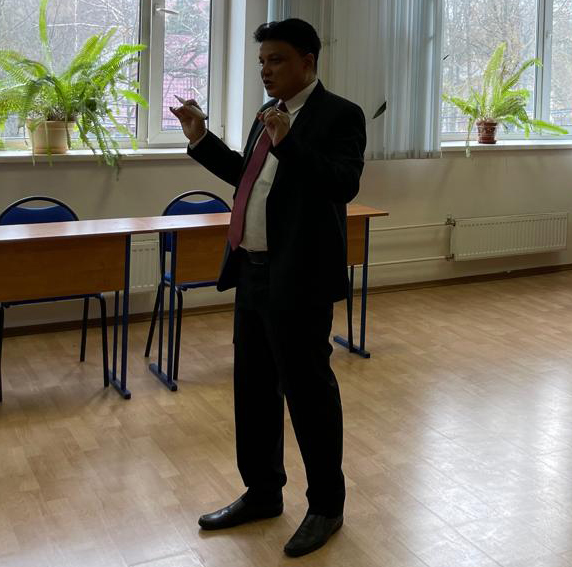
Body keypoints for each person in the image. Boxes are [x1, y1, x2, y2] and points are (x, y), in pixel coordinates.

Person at [170, 18, 366, 558]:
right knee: (254, 390)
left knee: (308, 393)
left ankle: (326, 505)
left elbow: (342, 183)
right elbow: (248, 177)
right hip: (252, 271)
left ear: (308, 61)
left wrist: (288, 143)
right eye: (261, 62)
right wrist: (201, 139)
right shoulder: (268, 115)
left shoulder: (339, 114)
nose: (265, 70)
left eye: (275, 60)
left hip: (300, 277)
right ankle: (262, 493)